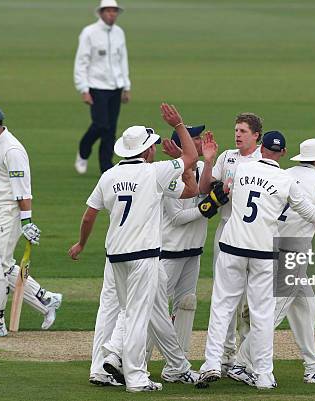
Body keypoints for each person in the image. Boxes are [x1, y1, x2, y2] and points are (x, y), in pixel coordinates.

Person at [68, 103, 197, 392]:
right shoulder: (155, 173)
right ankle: (136, 376)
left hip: (115, 257)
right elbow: (192, 156)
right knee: (137, 316)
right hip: (144, 257)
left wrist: (80, 244)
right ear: (147, 151)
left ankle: (109, 360)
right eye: (151, 146)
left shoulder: (108, 176)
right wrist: (178, 125)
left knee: (127, 313)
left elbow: (89, 215)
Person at [198, 131, 315, 389]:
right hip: (273, 251)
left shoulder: (243, 169)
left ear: (261, 148)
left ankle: (211, 364)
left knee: (224, 308)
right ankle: (253, 369)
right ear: (283, 153)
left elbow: (221, 190)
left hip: (234, 246)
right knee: (265, 315)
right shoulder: (296, 180)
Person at [0, 103, 62, 337]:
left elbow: (23, 191)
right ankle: (46, 299)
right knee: (6, 267)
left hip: (8, 213)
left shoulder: (12, 150)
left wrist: (26, 222)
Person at [197, 112, 263, 373]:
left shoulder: (263, 160)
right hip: (226, 232)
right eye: (236, 130)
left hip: (252, 234)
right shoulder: (227, 157)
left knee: (250, 300)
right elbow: (205, 189)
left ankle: (245, 359)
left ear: (256, 135)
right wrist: (209, 161)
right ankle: (225, 356)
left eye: (243, 131)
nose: (237, 135)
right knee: (225, 297)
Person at [160, 125, 212, 355]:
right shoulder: (169, 175)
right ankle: (134, 362)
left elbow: (206, 189)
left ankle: (177, 366)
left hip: (193, 251)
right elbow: (177, 217)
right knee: (156, 309)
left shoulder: (201, 168)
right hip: (170, 252)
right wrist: (208, 207)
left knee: (186, 305)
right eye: (195, 139)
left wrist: (210, 162)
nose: (200, 142)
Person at [74, 0, 131, 174]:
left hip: (116, 87)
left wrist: (126, 86)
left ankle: (106, 167)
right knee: (100, 124)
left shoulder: (119, 33)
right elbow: (81, 61)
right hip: (96, 86)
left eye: (114, 11)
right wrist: (83, 88)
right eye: (108, 11)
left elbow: (123, 60)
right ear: (101, 13)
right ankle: (83, 151)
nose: (112, 14)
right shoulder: (89, 33)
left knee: (111, 130)